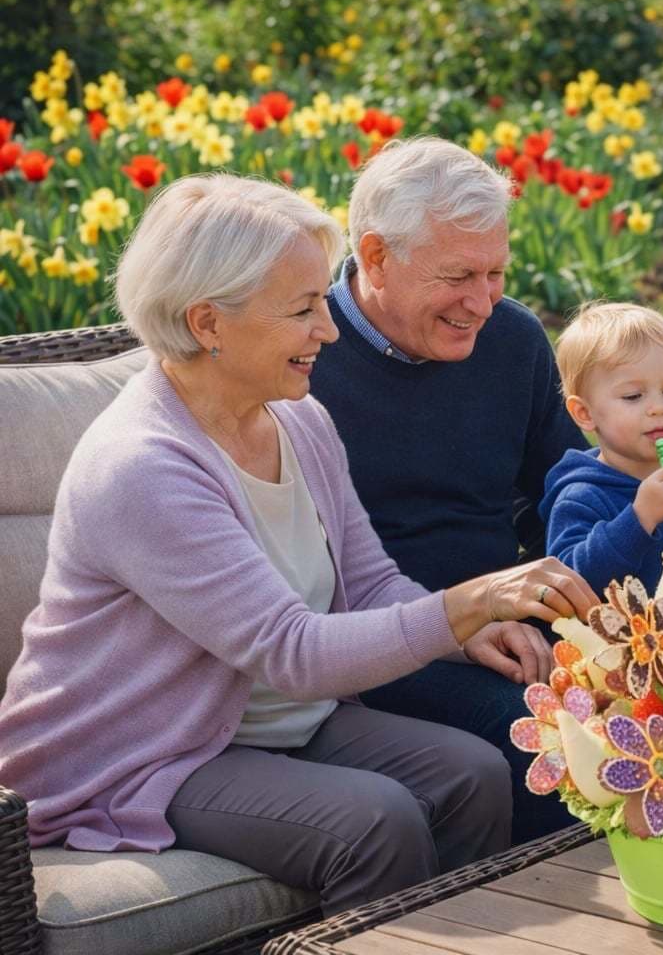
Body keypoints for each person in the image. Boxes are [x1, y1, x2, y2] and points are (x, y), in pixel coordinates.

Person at [0, 174, 599, 914]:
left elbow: (370, 579)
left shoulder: (297, 419)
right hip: (148, 755)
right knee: (372, 824)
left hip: (273, 721)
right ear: (208, 323)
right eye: (303, 308)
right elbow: (294, 652)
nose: (330, 328)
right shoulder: (145, 467)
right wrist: (466, 603)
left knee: (474, 772)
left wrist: (471, 633)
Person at [307, 137, 591, 843]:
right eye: (460, 275)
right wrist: (457, 630)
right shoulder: (302, 356)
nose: (484, 301)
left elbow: (564, 496)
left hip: (511, 620)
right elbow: (305, 584)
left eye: (496, 272)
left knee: (659, 685)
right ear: (375, 257)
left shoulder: (515, 339)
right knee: (533, 726)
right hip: (374, 638)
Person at [544, 302, 663, 592]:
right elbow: (572, 582)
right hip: (623, 637)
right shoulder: (581, 498)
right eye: (633, 396)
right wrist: (638, 520)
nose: (658, 408)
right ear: (585, 414)